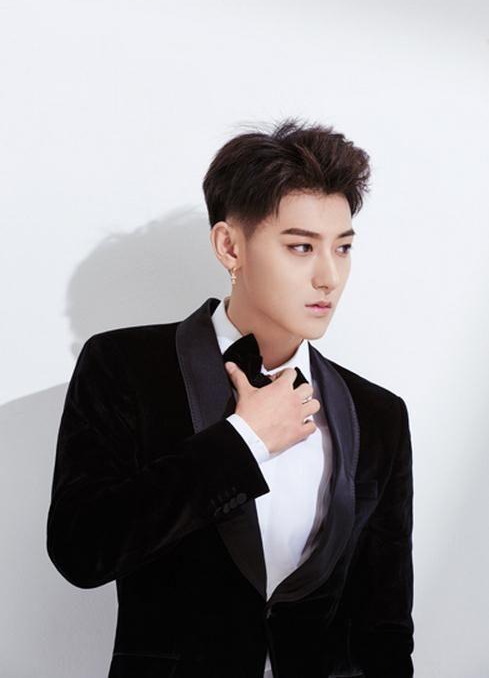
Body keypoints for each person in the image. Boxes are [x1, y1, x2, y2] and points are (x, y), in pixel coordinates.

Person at [46, 118, 414, 678]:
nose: (329, 277)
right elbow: (81, 550)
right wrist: (243, 442)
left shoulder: (378, 414)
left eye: (342, 248)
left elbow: (384, 626)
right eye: (300, 247)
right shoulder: (125, 367)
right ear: (229, 246)